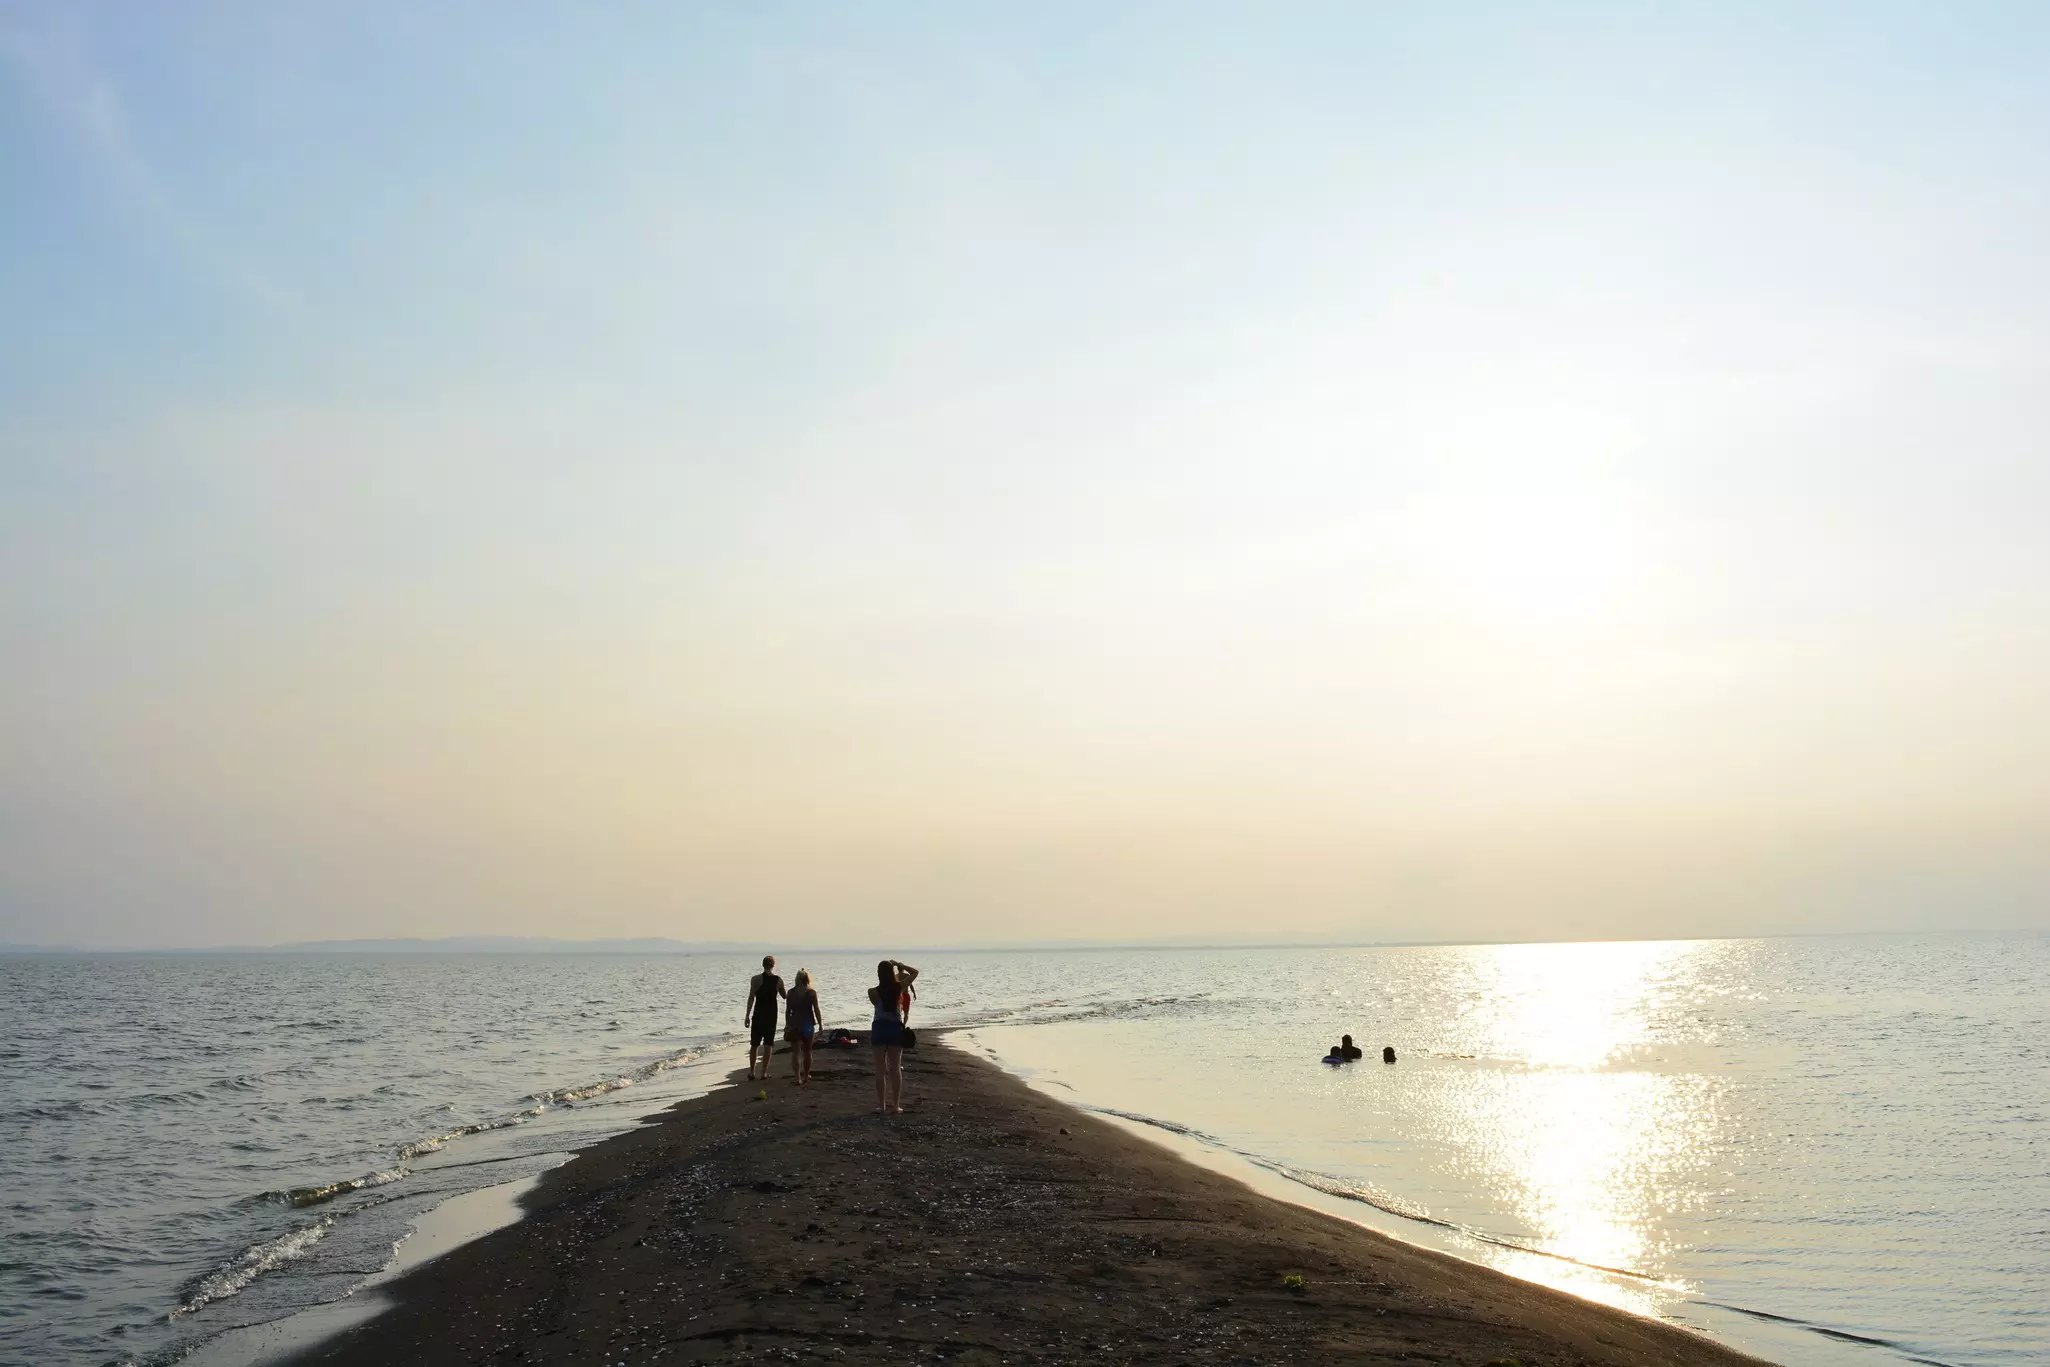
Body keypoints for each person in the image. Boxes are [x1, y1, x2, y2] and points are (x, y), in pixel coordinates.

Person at [868, 958, 918, 1114]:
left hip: (879, 1028)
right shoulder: (899, 988)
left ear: (878, 974)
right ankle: (895, 1106)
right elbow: (915, 972)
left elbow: (878, 1003)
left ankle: (881, 1106)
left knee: (880, 1069)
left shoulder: (872, 992)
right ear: (892, 973)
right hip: (895, 1028)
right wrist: (900, 966)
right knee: (895, 1068)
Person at [744, 955, 785, 1082]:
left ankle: (751, 1072)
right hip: (771, 1015)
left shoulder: (755, 979)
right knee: (768, 1044)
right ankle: (764, 1073)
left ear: (763, 965)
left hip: (758, 1014)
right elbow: (785, 996)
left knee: (754, 1044)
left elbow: (751, 997)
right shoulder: (778, 980)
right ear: (773, 965)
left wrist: (747, 1015)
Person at [783, 968, 822, 1085]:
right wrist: (820, 1024)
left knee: (795, 1052)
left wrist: (787, 1024)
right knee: (807, 1051)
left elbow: (787, 1011)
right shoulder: (811, 993)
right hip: (808, 1024)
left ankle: (797, 1078)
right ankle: (805, 1076)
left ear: (796, 980)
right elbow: (816, 1009)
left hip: (795, 1024)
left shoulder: (791, 993)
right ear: (807, 980)